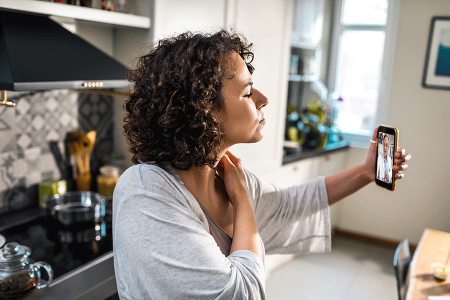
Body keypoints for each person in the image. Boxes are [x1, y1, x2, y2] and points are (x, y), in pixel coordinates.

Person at [113, 29, 411, 299]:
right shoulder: (146, 190)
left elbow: (288, 207)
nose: (263, 98)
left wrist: (364, 173)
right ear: (206, 109)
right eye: (247, 92)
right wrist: (242, 202)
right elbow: (241, 293)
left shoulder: (225, 174)